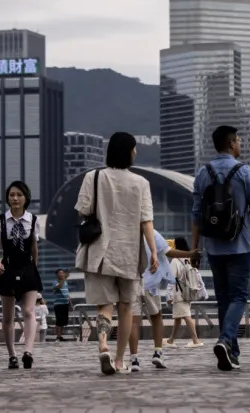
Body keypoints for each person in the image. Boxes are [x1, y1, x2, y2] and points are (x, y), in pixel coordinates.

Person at [75, 132, 160, 375]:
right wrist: (153, 252)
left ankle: (103, 344)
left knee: (105, 306)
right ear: (129, 151)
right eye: (134, 148)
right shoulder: (141, 183)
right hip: (129, 254)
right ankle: (121, 359)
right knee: (126, 307)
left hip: (100, 252)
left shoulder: (93, 177)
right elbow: (147, 222)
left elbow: (83, 211)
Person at [192, 124, 250, 371]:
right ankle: (226, 340)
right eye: (238, 140)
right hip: (240, 245)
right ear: (230, 143)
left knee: (224, 298)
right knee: (239, 296)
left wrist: (195, 249)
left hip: (214, 247)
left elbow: (196, 214)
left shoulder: (203, 174)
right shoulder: (244, 172)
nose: (240, 144)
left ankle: (231, 353)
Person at [127, 228, 196, 371]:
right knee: (156, 317)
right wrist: (190, 253)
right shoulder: (150, 232)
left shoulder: (125, 230)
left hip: (131, 281)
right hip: (150, 282)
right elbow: (168, 251)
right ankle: (158, 352)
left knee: (133, 321)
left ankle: (134, 360)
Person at [0, 181, 42, 369]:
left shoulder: (33, 220)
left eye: (19, 195)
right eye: (12, 195)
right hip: (8, 267)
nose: (15, 198)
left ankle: (28, 351)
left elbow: (34, 247)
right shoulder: (0, 220)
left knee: (29, 311)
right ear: (7, 198)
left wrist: (34, 268)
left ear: (26, 198)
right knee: (8, 316)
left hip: (27, 268)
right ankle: (12, 355)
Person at [167, 237, 203, 349]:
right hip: (189, 291)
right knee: (178, 317)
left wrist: (169, 295)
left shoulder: (175, 260)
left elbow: (172, 279)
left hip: (179, 293)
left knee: (186, 316)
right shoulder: (189, 258)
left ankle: (196, 340)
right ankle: (171, 340)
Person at [50, 268, 72, 341]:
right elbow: (59, 286)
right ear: (57, 275)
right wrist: (64, 279)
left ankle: (61, 336)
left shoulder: (65, 283)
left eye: (62, 273)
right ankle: (58, 336)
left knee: (63, 321)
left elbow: (67, 294)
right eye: (60, 273)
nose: (62, 274)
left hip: (65, 303)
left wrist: (70, 303)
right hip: (58, 304)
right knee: (59, 320)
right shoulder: (55, 282)